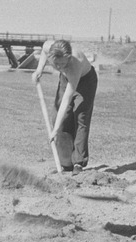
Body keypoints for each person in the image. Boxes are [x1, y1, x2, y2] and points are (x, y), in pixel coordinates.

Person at [31, 39, 98, 175]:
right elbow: (44, 51)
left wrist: (54, 130)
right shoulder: (49, 47)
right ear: (52, 56)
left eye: (63, 63)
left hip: (85, 81)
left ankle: (78, 162)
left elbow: (67, 100)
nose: (60, 66)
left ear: (68, 58)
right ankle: (66, 163)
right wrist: (39, 70)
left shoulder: (75, 64)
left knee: (80, 117)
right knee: (59, 119)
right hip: (65, 78)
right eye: (57, 64)